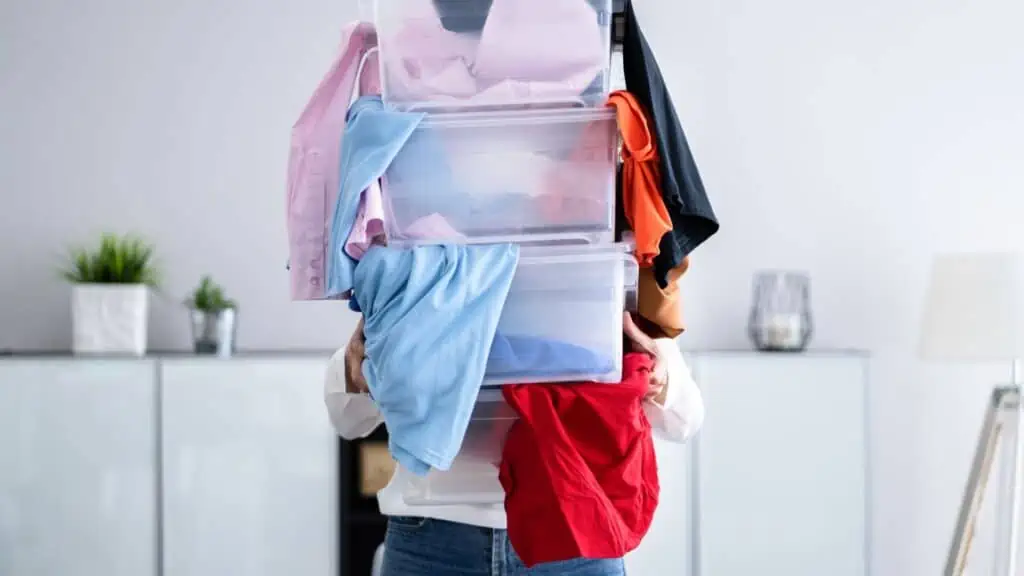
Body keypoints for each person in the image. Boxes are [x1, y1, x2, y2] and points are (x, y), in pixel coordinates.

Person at [325, 312, 704, 575]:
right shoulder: (421, 266)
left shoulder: (600, 282)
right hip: (433, 542)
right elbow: (348, 419)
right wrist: (353, 364)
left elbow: (684, 420)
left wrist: (660, 368)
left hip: (576, 539)